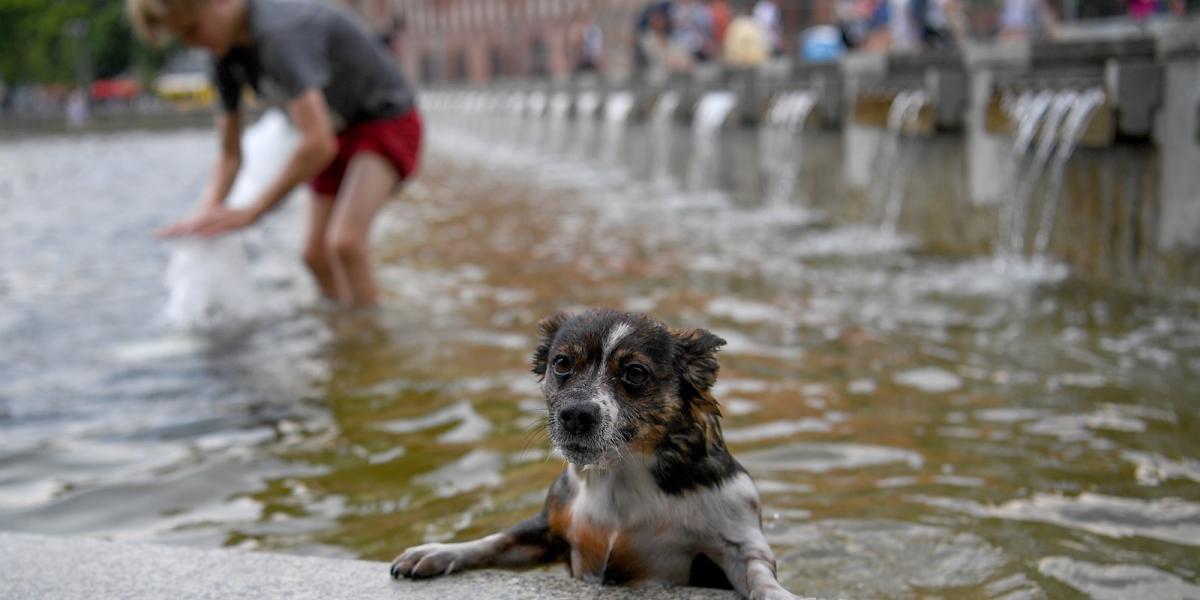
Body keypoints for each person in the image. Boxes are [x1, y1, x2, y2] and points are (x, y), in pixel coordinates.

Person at [127, 0, 421, 308]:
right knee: (314, 255)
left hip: (386, 120)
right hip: (338, 129)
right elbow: (230, 155)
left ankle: (370, 339)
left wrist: (253, 212)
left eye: (192, 29)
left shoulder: (279, 32)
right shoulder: (224, 53)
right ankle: (345, 334)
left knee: (345, 243)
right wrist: (207, 214)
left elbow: (317, 143)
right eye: (182, 36)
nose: (190, 43)